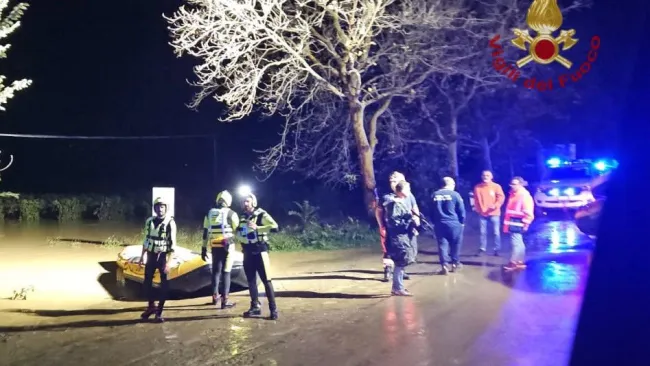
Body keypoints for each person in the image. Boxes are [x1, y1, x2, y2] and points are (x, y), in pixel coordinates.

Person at [236, 192, 280, 320]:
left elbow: (275, 228)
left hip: (260, 251)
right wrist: (239, 237)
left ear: (253, 202)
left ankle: (273, 309)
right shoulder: (242, 217)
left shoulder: (262, 214)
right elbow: (239, 232)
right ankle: (255, 307)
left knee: (267, 281)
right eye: (244, 201)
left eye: (247, 201)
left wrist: (258, 228)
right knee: (251, 281)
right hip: (248, 252)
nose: (245, 204)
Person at [374, 171, 420, 281]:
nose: (393, 184)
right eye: (392, 181)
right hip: (390, 228)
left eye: (395, 181)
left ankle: (401, 270)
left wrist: (417, 222)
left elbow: (414, 207)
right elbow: (378, 211)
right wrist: (381, 225)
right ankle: (388, 271)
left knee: (405, 250)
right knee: (388, 250)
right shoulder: (387, 197)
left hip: (405, 228)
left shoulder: (408, 195)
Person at [139, 197, 177, 322]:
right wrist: (141, 257)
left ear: (166, 208)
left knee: (164, 285)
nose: (160, 209)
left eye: (162, 207)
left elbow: (173, 246)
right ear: (154, 208)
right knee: (146, 283)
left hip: (162, 257)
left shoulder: (170, 223)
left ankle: (159, 312)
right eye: (158, 207)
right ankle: (151, 306)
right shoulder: (149, 221)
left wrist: (168, 263)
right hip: (151, 256)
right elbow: (146, 239)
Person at [201, 190, 239, 309]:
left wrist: (203, 248)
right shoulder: (231, 213)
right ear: (229, 201)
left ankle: (215, 297)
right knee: (226, 272)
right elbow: (238, 231)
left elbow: (205, 232)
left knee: (216, 272)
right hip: (228, 246)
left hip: (215, 246)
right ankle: (225, 300)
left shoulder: (209, 213)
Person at [383, 180, 418, 296]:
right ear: (401, 191)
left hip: (402, 235)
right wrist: (409, 220)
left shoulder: (399, 202)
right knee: (401, 262)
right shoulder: (395, 204)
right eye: (407, 189)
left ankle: (397, 287)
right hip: (399, 237)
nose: (409, 191)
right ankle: (398, 288)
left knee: (402, 261)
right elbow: (394, 222)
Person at [431, 177, 466, 275]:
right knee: (456, 244)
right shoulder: (455, 195)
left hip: (440, 223)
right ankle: (455, 263)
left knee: (442, 245)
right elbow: (461, 210)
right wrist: (462, 222)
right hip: (454, 223)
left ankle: (444, 265)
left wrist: (434, 222)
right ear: (451, 185)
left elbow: (431, 211)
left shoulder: (435, 195)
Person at [502, 176, 535, 270]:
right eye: (511, 184)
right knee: (519, 243)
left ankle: (513, 262)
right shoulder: (514, 194)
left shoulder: (523, 195)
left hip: (517, 222)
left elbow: (529, 212)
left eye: (514, 184)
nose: (512, 186)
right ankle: (519, 262)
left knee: (516, 243)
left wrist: (526, 223)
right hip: (514, 222)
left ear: (520, 184)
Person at [473, 170, 505, 256]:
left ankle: (497, 249)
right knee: (482, 232)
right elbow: (475, 199)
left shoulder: (496, 186)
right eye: (484, 175)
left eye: (487, 175)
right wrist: (477, 208)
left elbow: (501, 197)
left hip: (494, 213)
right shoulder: (477, 187)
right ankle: (482, 249)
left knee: (496, 232)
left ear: (491, 177)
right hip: (482, 213)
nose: (485, 177)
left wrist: (496, 205)